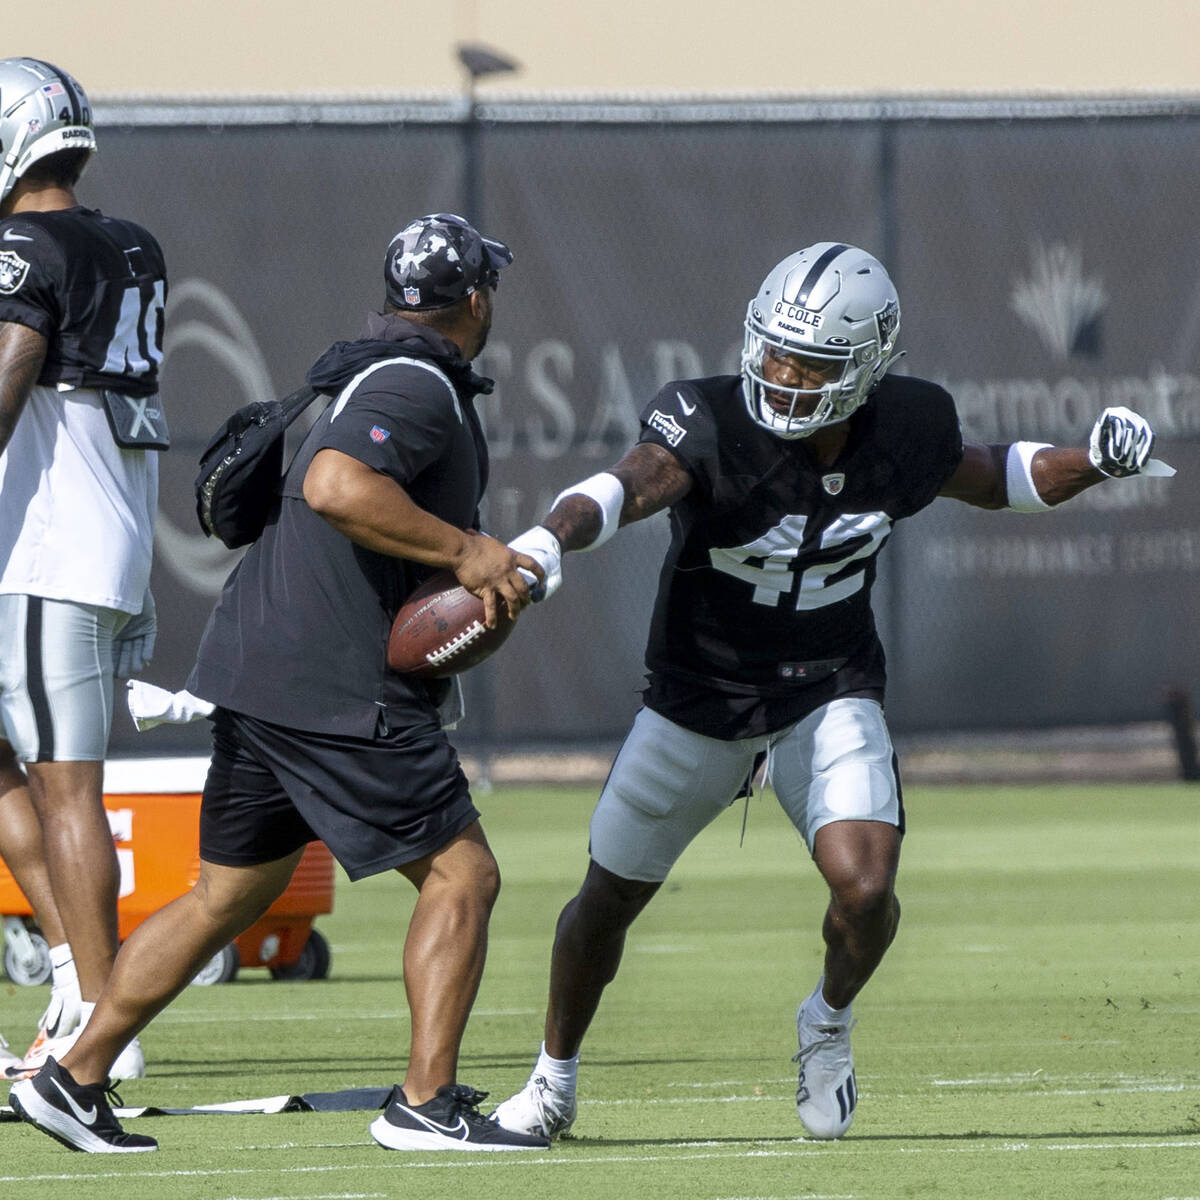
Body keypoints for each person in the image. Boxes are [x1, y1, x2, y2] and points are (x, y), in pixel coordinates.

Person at [490, 241, 1171, 1142]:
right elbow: (622, 488)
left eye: (808, 362)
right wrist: (544, 541)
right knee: (605, 902)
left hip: (827, 687)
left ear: (867, 368)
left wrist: (1094, 460)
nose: (781, 374)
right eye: (772, 350)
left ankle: (827, 1021)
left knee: (866, 890)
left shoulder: (908, 424)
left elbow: (1000, 475)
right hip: (700, 695)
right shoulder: (707, 418)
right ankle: (552, 1082)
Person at [10, 212, 552, 1154]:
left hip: (259, 668)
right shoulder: (416, 384)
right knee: (465, 873)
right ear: (476, 299)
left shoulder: (370, 367)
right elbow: (340, 485)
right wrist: (467, 550)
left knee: (228, 895)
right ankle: (425, 1107)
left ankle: (72, 1075)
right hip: (331, 685)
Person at [0, 57, 167, 1084]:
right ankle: (73, 978)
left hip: (50, 548)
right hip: (96, 540)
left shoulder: (25, 243)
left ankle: (104, 1033)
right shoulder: (130, 241)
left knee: (68, 791)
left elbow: (14, 370)